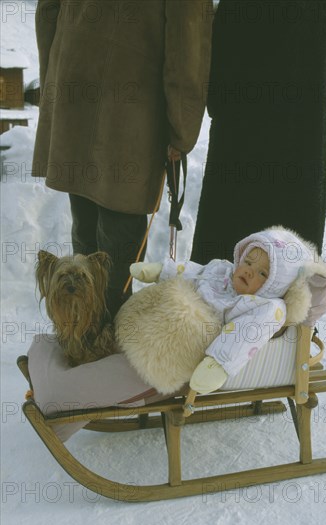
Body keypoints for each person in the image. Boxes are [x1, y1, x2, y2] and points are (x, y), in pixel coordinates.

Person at [32, 0, 213, 318]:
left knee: (87, 242)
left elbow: (48, 12)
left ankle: (84, 346)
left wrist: (54, 83)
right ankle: (105, 350)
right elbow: (187, 46)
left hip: (72, 90)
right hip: (131, 115)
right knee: (115, 262)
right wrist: (181, 130)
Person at [190, 0, 326, 263]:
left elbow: (218, 68)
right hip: (302, 163)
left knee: (225, 268)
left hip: (240, 152)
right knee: (287, 273)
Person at [130, 225, 315, 393]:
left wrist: (218, 364)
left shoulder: (266, 308)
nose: (248, 271)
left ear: (276, 285)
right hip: (164, 318)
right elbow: (194, 271)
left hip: (188, 341)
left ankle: (142, 372)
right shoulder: (224, 270)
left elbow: (243, 336)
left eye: (262, 273)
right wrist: (161, 270)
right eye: (248, 262)